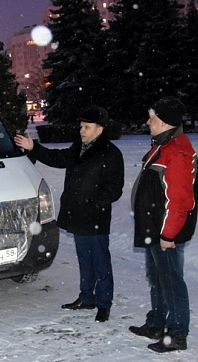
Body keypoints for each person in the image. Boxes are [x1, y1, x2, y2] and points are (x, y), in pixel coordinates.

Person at [14, 106, 124, 323]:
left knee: (100, 261)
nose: (82, 130)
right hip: (78, 215)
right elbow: (57, 158)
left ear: (100, 130)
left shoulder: (111, 154)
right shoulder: (79, 148)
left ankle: (104, 303)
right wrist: (33, 147)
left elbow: (114, 188)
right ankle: (86, 298)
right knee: (84, 259)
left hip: (95, 217)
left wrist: (94, 203)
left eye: (87, 127)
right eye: (81, 126)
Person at [129, 96, 198, 353]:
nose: (148, 121)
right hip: (154, 229)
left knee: (171, 282)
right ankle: (157, 323)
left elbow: (179, 201)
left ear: (166, 122)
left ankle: (178, 334)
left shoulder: (177, 152)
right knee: (157, 278)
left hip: (165, 233)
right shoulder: (163, 145)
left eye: (153, 118)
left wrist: (168, 235)